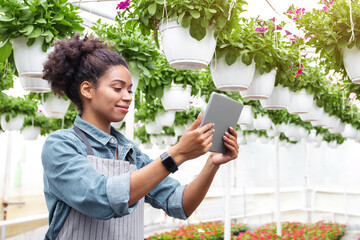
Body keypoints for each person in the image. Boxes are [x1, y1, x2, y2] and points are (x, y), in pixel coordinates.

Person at [41, 33, 239, 240]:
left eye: (129, 90)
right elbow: (100, 199)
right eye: (117, 88)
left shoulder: (130, 153)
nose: (127, 97)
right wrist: (178, 153)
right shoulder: (62, 145)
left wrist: (212, 164)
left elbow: (180, 203)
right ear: (87, 89)